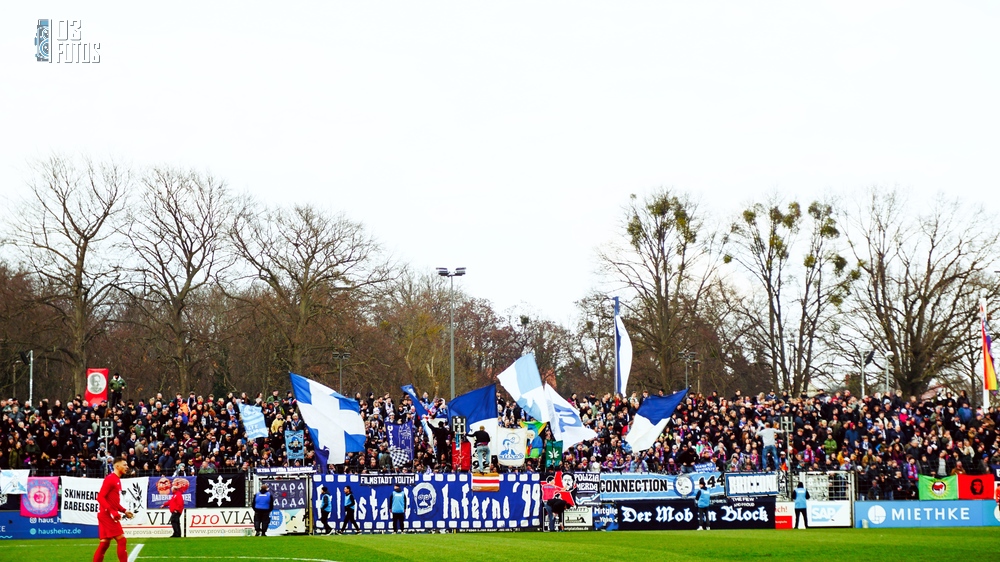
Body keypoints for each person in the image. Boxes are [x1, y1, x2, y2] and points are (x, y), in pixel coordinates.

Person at [93, 457, 134, 562]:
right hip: (107, 515)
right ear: (117, 466)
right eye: (124, 465)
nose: (127, 467)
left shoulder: (117, 479)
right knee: (122, 540)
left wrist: (124, 511)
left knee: (104, 543)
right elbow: (100, 497)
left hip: (105, 514)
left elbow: (114, 502)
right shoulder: (110, 479)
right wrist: (111, 511)